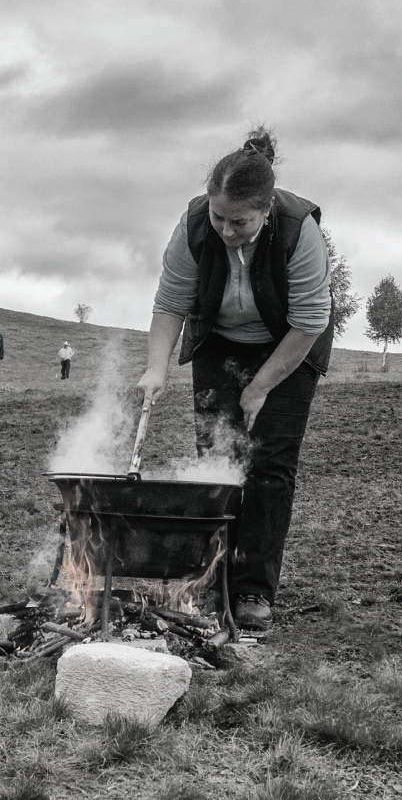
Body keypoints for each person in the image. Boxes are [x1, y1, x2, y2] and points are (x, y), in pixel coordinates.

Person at [137, 127, 333, 630]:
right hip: (219, 342)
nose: (226, 230)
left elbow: (310, 320)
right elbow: (171, 301)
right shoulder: (195, 224)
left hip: (288, 344)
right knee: (219, 462)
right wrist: (155, 367)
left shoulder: (298, 229)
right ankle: (212, 579)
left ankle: (252, 592)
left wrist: (260, 386)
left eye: (239, 222)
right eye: (219, 217)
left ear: (265, 210)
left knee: (268, 464)